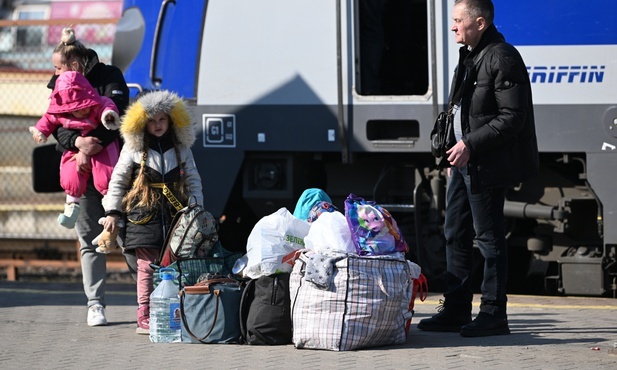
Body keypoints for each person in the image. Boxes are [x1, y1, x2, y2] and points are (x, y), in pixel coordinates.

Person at [417, 0, 538, 337]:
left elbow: (513, 117)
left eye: (458, 20)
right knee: (454, 232)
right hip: (463, 164)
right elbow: (462, 110)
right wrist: (451, 148)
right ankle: (456, 309)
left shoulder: (501, 56)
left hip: (486, 163)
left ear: (480, 22)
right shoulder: (470, 55)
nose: (453, 27)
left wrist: (470, 145)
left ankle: (493, 314)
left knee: (488, 239)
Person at [44, 27, 132, 327]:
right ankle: (95, 304)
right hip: (79, 171)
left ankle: (148, 298)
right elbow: (55, 123)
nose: (56, 75)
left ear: (76, 64)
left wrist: (90, 145)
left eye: (60, 68)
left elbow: (117, 114)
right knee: (88, 240)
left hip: (112, 171)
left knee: (126, 235)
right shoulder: (57, 82)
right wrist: (77, 145)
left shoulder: (110, 77)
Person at [101, 90, 203, 334]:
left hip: (175, 215)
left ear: (171, 120)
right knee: (146, 266)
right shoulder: (133, 149)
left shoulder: (181, 149)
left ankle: (174, 312)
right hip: (142, 215)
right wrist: (113, 212)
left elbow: (193, 180)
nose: (157, 125)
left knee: (174, 266)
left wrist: (197, 209)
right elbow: (118, 181)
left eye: (162, 120)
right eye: (152, 120)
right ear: (142, 122)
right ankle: (144, 315)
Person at [29, 71, 120, 229]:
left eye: (85, 106)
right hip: (74, 148)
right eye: (78, 109)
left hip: (100, 146)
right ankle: (71, 205)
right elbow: (48, 119)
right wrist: (40, 131)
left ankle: (113, 209)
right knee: (69, 172)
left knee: (107, 173)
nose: (83, 111)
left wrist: (108, 116)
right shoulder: (61, 112)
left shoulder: (97, 103)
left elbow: (107, 105)